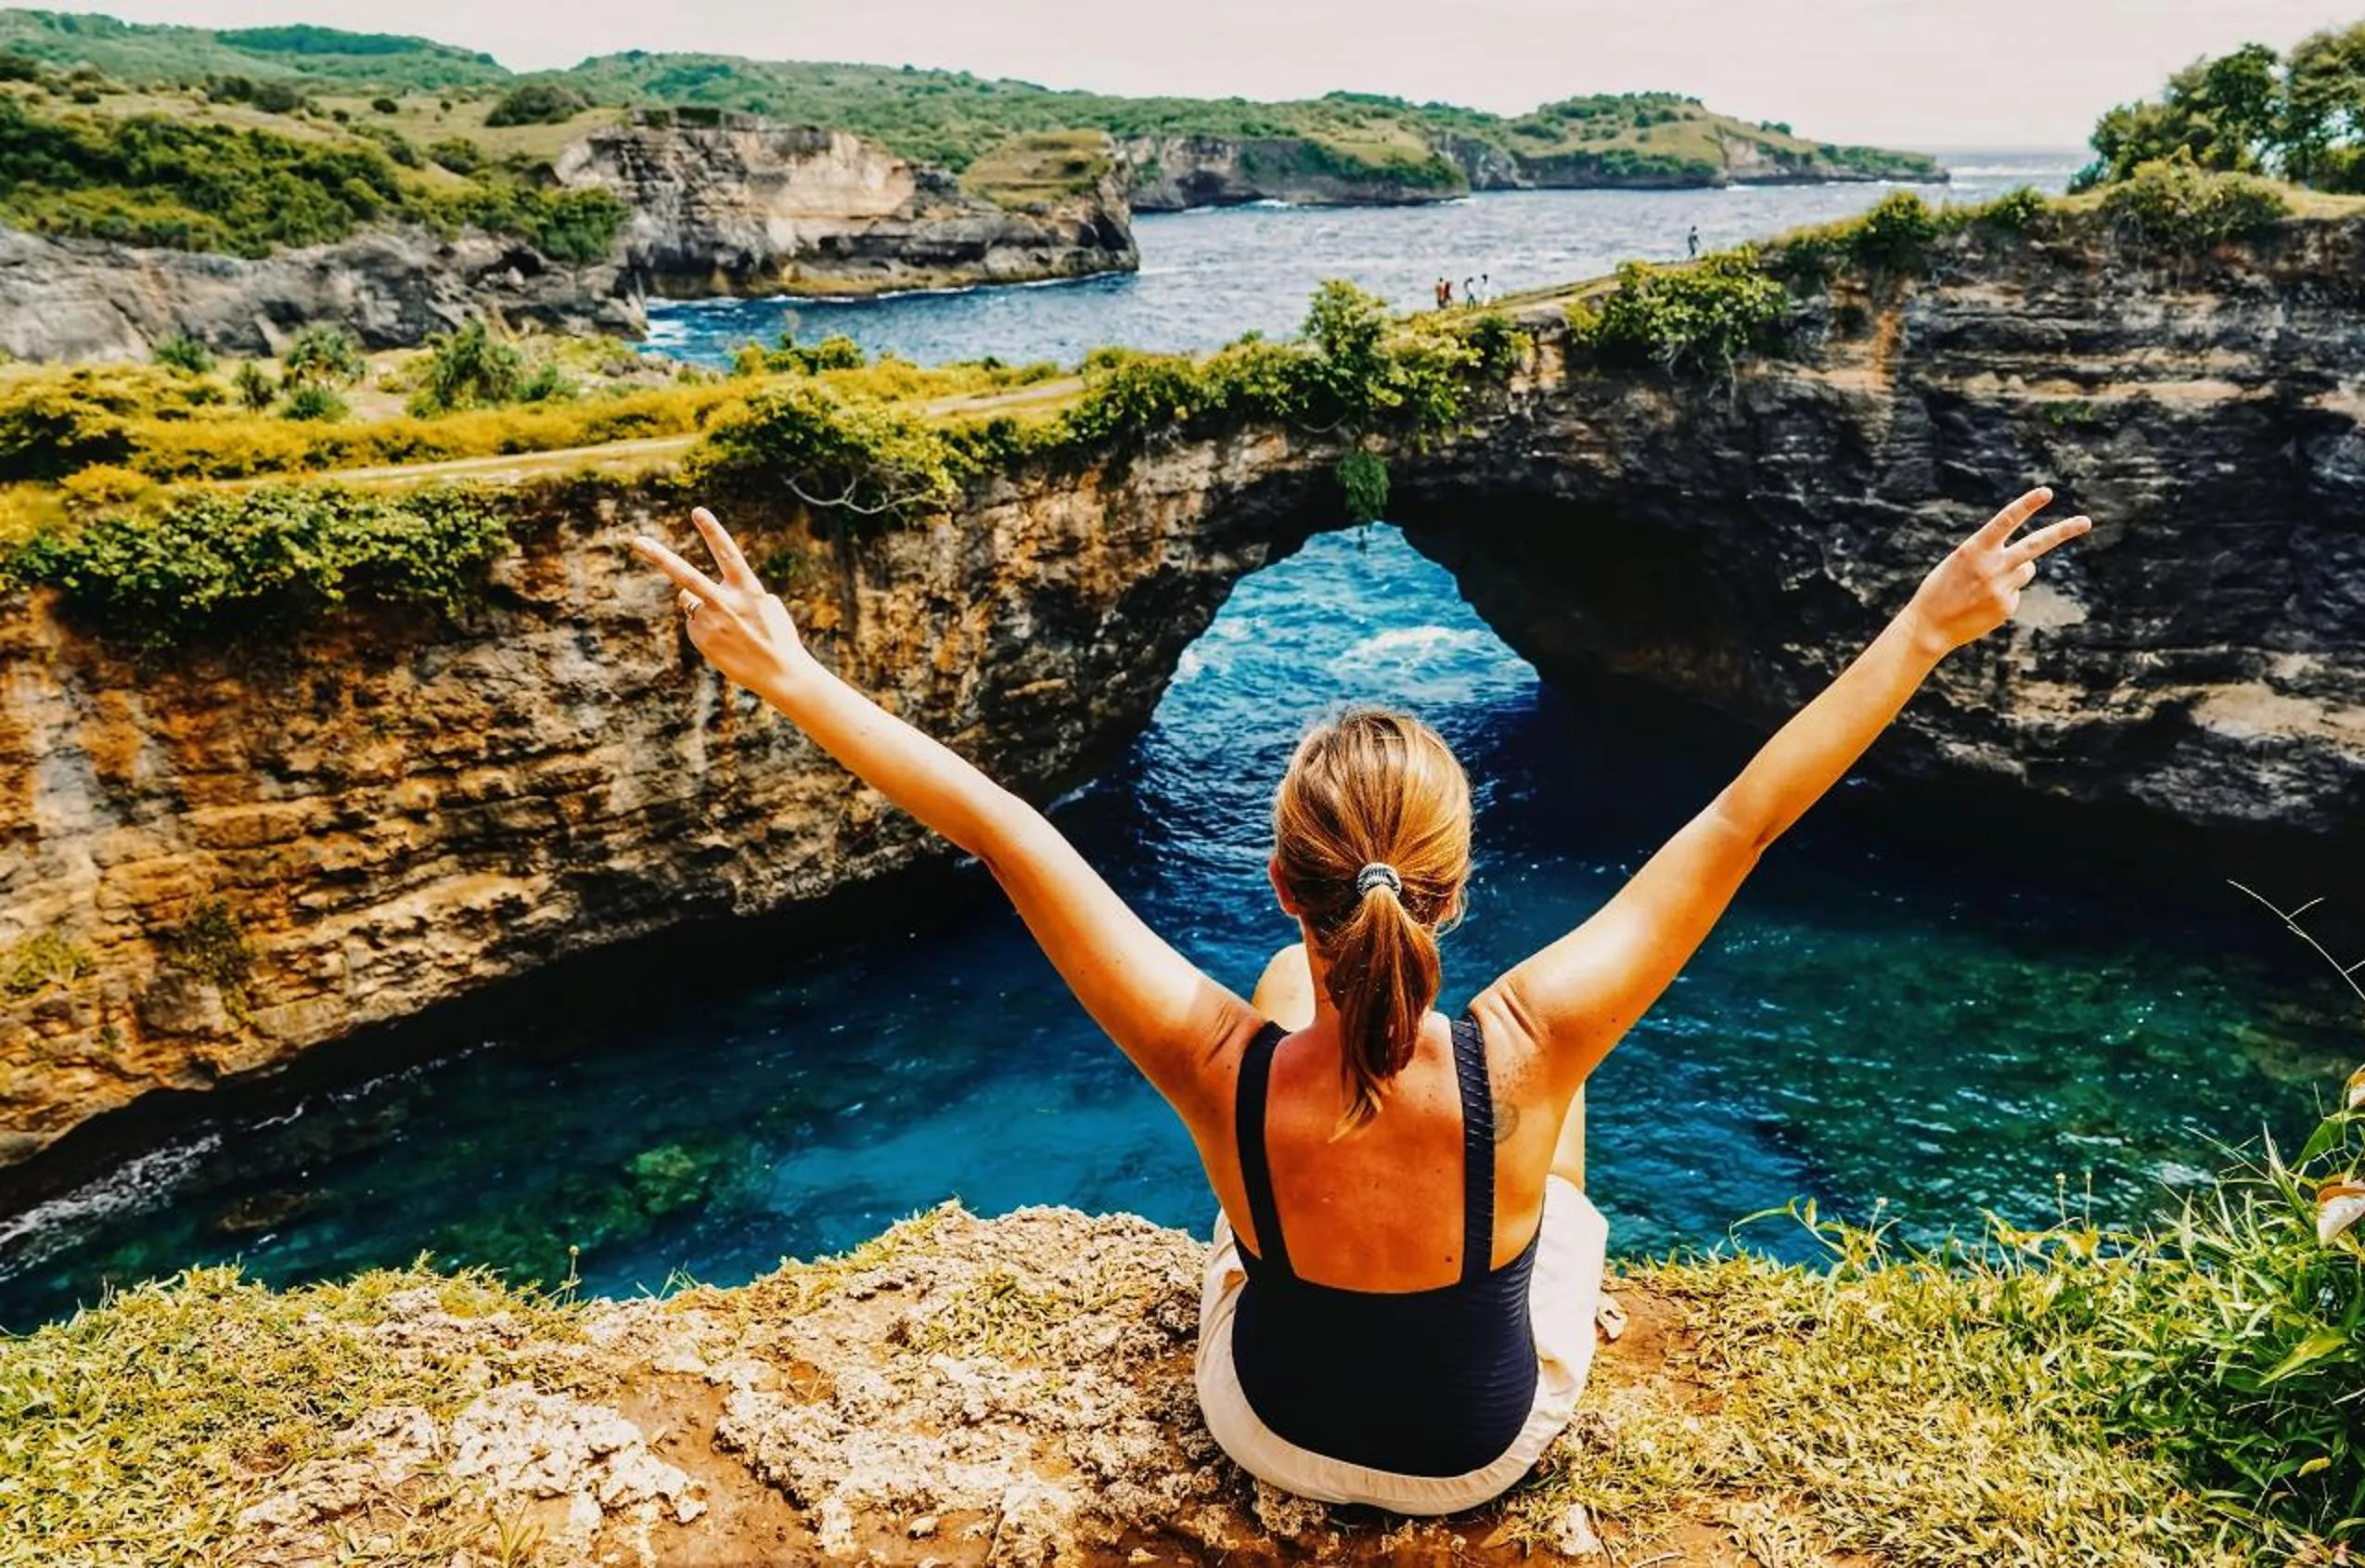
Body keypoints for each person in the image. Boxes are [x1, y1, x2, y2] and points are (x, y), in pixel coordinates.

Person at [630, 487, 2092, 1512]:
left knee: (1280, 1059)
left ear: (1284, 880)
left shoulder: (1217, 1060)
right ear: (1452, 891)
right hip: (1480, 1451)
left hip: (1271, 1432)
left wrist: (791, 671)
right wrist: (1920, 628)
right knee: (1561, 1125)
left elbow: (1004, 824)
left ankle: (1291, 1242)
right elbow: (1738, 823)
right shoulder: (1530, 1042)